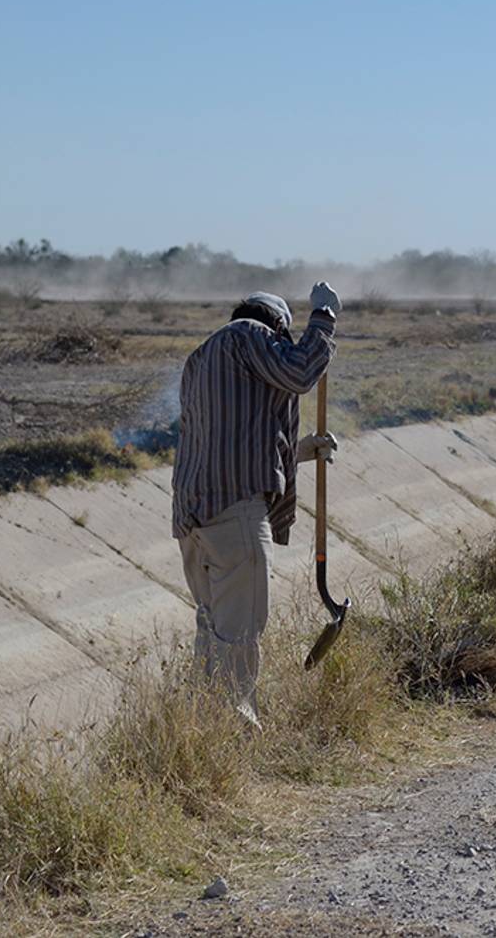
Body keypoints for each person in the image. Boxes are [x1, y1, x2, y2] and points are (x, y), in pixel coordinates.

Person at [173, 284, 340, 727]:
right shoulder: (249, 334)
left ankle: (196, 729)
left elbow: (236, 436)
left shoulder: (201, 359)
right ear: (277, 326)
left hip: (194, 520)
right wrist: (323, 316)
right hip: (236, 514)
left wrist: (303, 449)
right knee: (240, 635)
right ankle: (232, 738)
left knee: (213, 633)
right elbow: (302, 371)